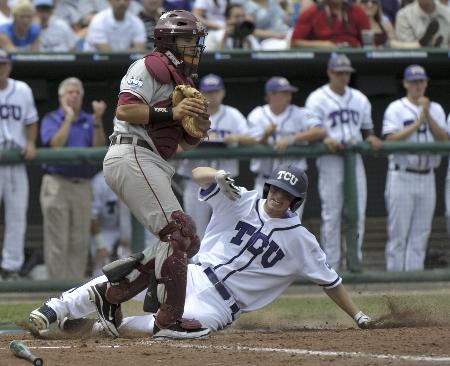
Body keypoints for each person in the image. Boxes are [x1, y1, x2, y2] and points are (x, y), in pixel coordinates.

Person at [28, 164, 373, 338]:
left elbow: (330, 282)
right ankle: (54, 309)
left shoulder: (301, 240)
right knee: (130, 270)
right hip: (192, 273)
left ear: (296, 201)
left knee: (171, 331)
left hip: (219, 305)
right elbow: (197, 175)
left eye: (286, 194)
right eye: (275, 188)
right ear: (268, 185)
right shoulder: (242, 199)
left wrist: (357, 316)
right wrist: (217, 174)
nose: (277, 197)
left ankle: (102, 329)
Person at [37, 10, 210, 340]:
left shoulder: (183, 81)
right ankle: (169, 320)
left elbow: (182, 143)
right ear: (168, 40)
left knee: (186, 241)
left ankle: (111, 295)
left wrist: (196, 129)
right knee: (179, 230)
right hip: (131, 152)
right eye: (189, 40)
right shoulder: (149, 66)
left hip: (152, 160)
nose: (194, 47)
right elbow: (126, 109)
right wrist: (172, 112)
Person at [305, 54, 382, 271]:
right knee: (332, 214)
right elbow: (314, 128)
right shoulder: (317, 98)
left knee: (357, 212)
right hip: (331, 160)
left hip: (354, 159)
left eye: (346, 73)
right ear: (330, 73)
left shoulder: (359, 98)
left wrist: (371, 138)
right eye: (339, 72)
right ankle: (332, 267)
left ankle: (354, 263)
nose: (343, 77)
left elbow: (367, 130)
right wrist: (324, 138)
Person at [40, 77, 107, 280]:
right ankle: (55, 292)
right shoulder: (52, 118)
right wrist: (68, 118)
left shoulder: (89, 119)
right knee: (57, 240)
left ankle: (72, 292)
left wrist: (97, 121)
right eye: (70, 92)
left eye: (78, 92)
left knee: (79, 241)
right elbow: (55, 145)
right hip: (57, 183)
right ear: (61, 97)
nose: (74, 96)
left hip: (82, 185)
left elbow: (99, 148)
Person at [382, 65, 448, 272]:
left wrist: (427, 116)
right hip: (402, 174)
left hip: (427, 176)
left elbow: (445, 140)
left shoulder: (435, 109)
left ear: (426, 83)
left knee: (421, 233)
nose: (418, 85)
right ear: (405, 83)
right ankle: (393, 282)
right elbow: (390, 139)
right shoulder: (395, 107)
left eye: (421, 81)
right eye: (413, 81)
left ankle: (413, 283)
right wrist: (418, 122)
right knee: (398, 234)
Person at [177, 73, 251, 238]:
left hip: (225, 181)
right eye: (208, 92)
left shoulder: (233, 115)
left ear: (223, 92)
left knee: (228, 230)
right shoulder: (189, 114)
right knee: (196, 231)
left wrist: (236, 138)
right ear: (200, 94)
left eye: (216, 91)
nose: (212, 95)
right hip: (194, 181)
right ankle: (197, 264)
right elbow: (175, 147)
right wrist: (194, 140)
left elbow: (252, 139)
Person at [247, 76, 325, 218]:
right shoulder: (257, 115)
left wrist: (291, 139)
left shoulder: (300, 113)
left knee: (289, 227)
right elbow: (251, 142)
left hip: (291, 186)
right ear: (271, 95)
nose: (288, 96)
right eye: (283, 92)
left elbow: (320, 130)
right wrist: (265, 135)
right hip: (264, 182)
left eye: (289, 92)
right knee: (257, 223)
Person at [0, 49, 38, 280]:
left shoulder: (22, 89)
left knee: (17, 214)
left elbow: (31, 121)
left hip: (15, 159)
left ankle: (11, 266)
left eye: (4, 63)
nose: (1, 67)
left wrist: (31, 142)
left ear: (9, 66)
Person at [90, 171, 131, 277]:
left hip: (130, 230)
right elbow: (93, 216)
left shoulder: (135, 177)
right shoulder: (99, 182)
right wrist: (100, 246)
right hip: (105, 230)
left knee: (135, 268)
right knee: (102, 269)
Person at [290, 0, 371, 48]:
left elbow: (367, 43)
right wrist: (323, 45)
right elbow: (294, 42)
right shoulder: (312, 12)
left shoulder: (357, 11)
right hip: (323, 59)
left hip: (353, 57)